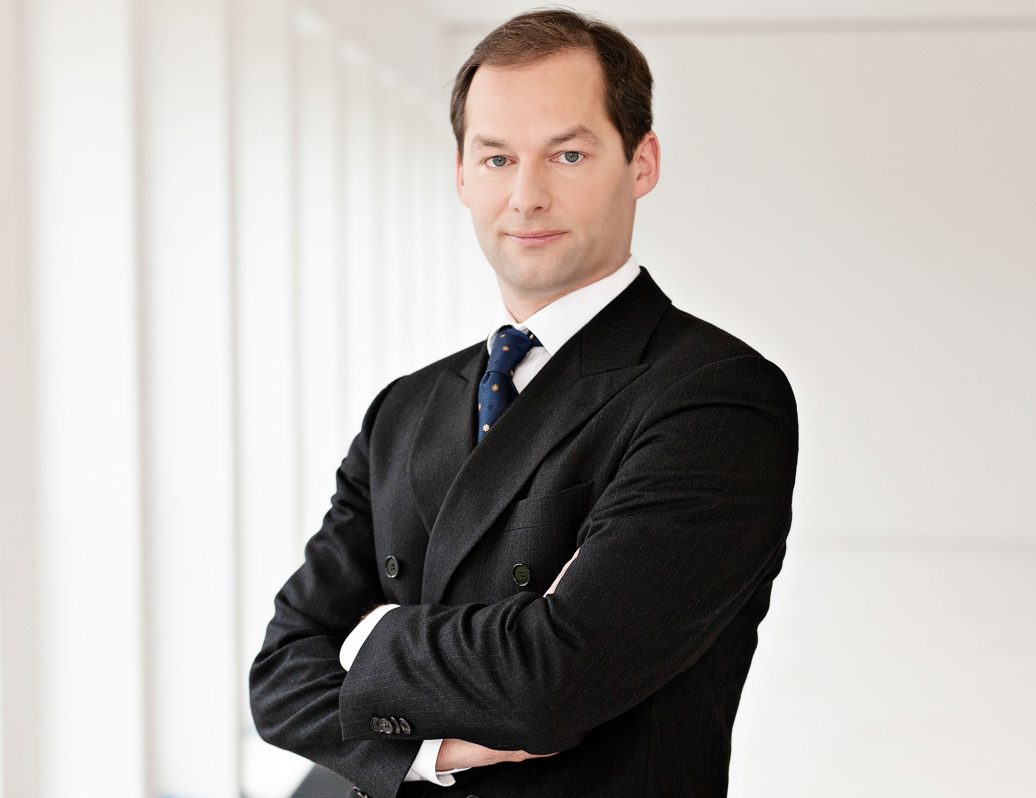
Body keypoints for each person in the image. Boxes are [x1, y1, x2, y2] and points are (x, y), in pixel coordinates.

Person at [249, 8, 798, 797]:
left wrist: (368, 634)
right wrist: (429, 752)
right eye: (497, 158)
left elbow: (551, 681)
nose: (526, 195)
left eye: (568, 155)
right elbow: (279, 673)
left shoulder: (715, 397)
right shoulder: (404, 409)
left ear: (641, 162)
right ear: (462, 175)